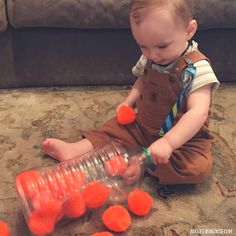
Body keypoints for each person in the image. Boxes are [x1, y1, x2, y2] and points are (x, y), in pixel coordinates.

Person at [42, 0, 220, 185]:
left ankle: (142, 163)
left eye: (162, 46)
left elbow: (198, 113)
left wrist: (168, 142)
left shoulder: (197, 69)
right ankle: (75, 149)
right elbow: (142, 81)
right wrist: (128, 102)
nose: (152, 55)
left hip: (183, 139)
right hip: (143, 126)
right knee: (113, 129)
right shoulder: (151, 56)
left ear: (189, 30)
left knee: (197, 168)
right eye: (143, 46)